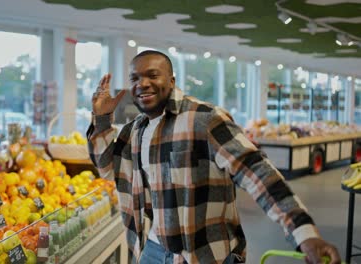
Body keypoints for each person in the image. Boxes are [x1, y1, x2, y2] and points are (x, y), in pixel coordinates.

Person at [87, 50, 341, 264]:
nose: (141, 83)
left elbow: (258, 174)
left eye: (152, 75)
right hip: (149, 251)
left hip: (204, 255)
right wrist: (101, 120)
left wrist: (304, 233)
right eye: (135, 78)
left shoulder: (204, 119)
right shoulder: (135, 130)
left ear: (172, 81)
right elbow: (108, 168)